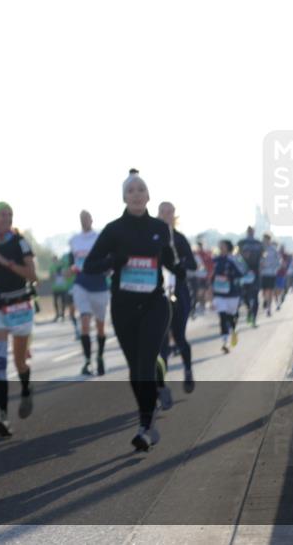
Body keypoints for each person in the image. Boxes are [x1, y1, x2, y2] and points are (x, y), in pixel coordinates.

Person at [83, 170, 178, 451]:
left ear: (148, 196)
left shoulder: (160, 228)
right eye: (131, 190)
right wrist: (115, 260)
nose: (136, 194)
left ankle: (145, 426)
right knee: (136, 370)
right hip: (124, 306)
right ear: (124, 198)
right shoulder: (114, 230)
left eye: (141, 189)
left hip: (155, 304)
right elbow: (90, 266)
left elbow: (171, 261)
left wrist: (184, 270)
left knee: (145, 365)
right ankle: (149, 408)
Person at [0, 202, 38, 434]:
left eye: (10, 214)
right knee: (0, 363)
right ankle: (3, 418)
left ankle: (26, 389)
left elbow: (32, 276)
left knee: (19, 362)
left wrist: (5, 262)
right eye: (2, 214)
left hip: (19, 306)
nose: (7, 218)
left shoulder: (20, 242)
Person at [156, 202, 197, 396]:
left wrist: (180, 263)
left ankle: (188, 370)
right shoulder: (153, 237)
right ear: (158, 214)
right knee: (162, 341)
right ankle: (161, 385)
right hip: (159, 294)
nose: (166, 215)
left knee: (179, 336)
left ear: (174, 215)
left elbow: (193, 264)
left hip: (179, 292)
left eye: (169, 212)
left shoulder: (179, 239)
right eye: (162, 212)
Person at [69, 210, 111, 376]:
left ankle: (100, 357)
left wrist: (107, 268)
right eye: (81, 218)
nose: (84, 221)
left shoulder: (100, 238)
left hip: (99, 285)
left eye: (86, 218)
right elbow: (73, 262)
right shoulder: (74, 240)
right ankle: (87, 361)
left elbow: (108, 259)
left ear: (92, 220)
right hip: (81, 284)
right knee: (84, 322)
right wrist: (71, 269)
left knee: (100, 326)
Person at [212, 240, 245, 353]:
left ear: (228, 247)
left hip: (232, 293)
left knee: (231, 317)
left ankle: (233, 330)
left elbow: (242, 272)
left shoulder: (235, 259)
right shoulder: (215, 259)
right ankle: (225, 342)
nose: (221, 247)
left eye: (223, 245)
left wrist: (230, 275)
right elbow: (210, 273)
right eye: (220, 245)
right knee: (222, 316)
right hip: (219, 293)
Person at [237, 227, 263, 327]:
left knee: (255, 296)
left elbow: (262, 257)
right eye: (249, 231)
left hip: (255, 272)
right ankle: (249, 311)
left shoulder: (258, 243)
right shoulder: (241, 242)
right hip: (244, 272)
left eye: (251, 231)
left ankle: (254, 319)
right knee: (244, 296)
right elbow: (237, 255)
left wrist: (261, 266)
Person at [259, 234, 280, 317]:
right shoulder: (261, 249)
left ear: (269, 240)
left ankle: (269, 309)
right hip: (263, 273)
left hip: (271, 273)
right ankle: (265, 300)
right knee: (264, 292)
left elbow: (278, 262)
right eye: (264, 240)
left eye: (266, 240)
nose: (265, 241)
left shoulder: (273, 250)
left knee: (270, 291)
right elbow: (259, 260)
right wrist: (260, 265)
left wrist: (275, 269)